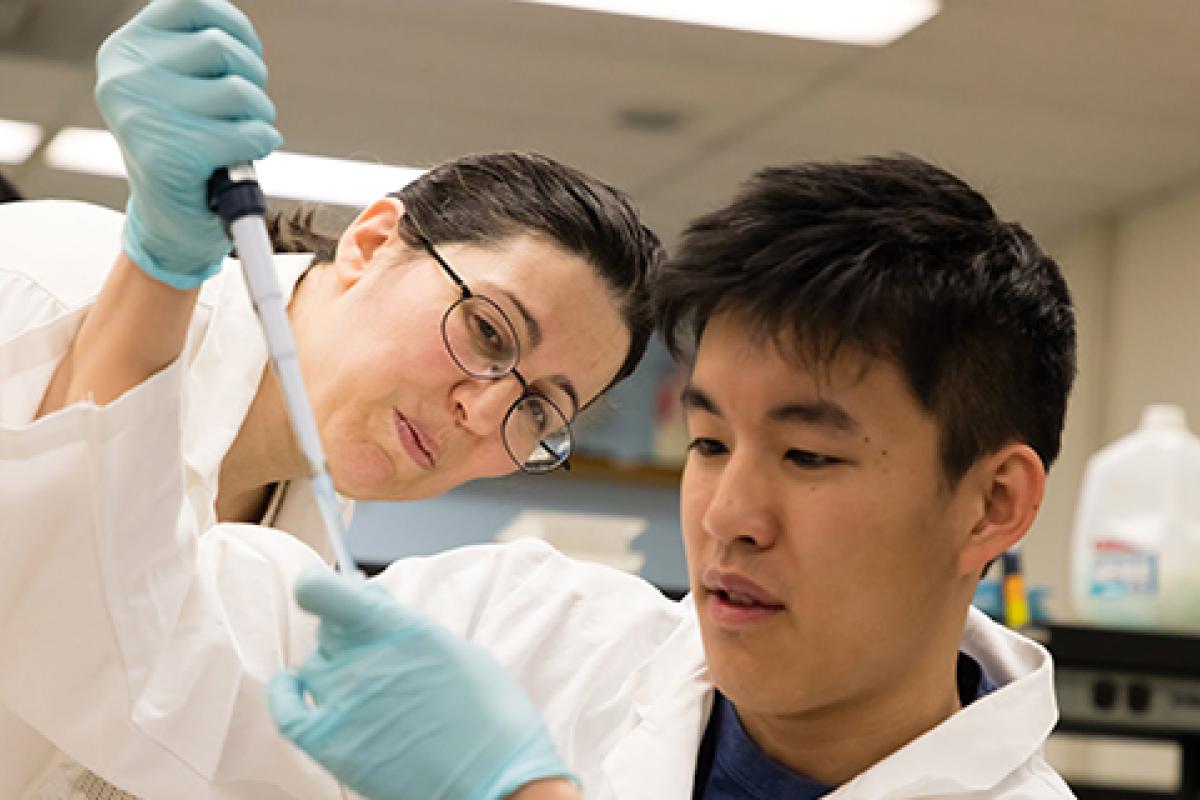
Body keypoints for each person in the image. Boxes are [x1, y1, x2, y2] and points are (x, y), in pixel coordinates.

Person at [264, 155, 1081, 799]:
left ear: (992, 505)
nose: (728, 517)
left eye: (807, 456)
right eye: (709, 443)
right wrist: (155, 282)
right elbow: (169, 641)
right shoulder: (517, 628)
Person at [0, 0, 661, 796]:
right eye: (488, 333)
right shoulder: (41, 285)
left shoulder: (310, 532)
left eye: (536, 412)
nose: (482, 414)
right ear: (374, 242)